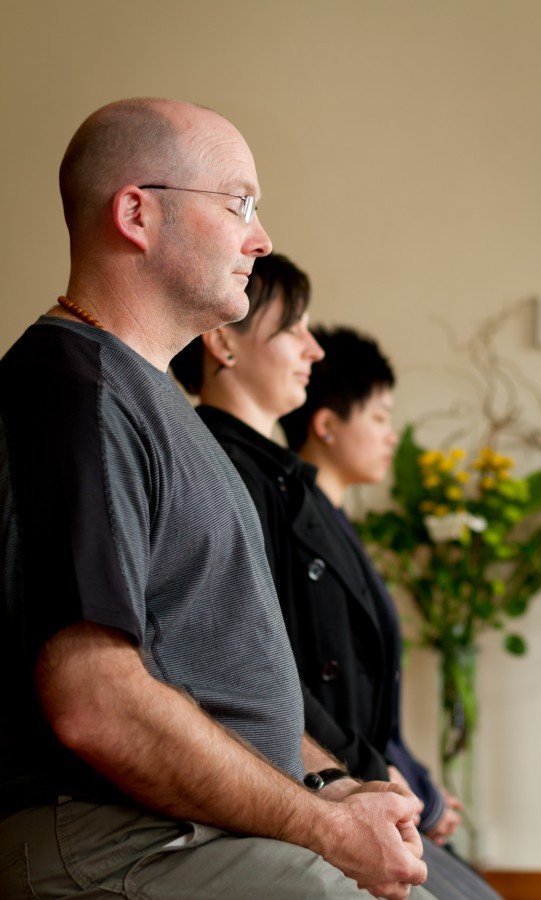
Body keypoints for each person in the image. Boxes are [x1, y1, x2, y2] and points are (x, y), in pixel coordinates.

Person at [0, 100, 432, 900]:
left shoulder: (152, 398)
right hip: (111, 836)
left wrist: (332, 782)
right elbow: (96, 702)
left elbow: (228, 687)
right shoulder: (74, 390)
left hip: (189, 829)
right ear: (137, 213)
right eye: (239, 204)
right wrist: (323, 826)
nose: (260, 237)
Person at [172, 254, 500, 899]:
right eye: (293, 327)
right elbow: (266, 669)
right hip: (304, 781)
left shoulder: (282, 479)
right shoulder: (230, 472)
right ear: (221, 342)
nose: (313, 350)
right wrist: (370, 778)